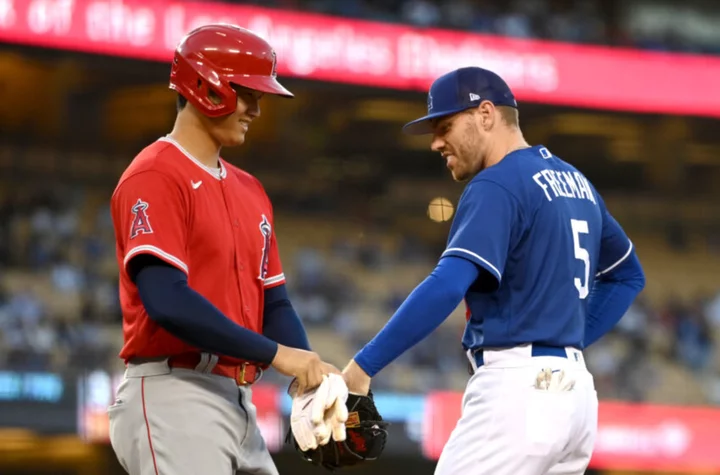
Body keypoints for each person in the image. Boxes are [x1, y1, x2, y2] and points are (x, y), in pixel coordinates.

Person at [341, 67, 646, 475]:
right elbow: (628, 275)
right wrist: (565, 345)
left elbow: (448, 283)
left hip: (518, 393)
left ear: (486, 114)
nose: (435, 142)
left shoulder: (497, 184)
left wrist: (363, 366)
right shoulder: (578, 183)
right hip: (575, 399)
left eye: (445, 126)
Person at [107, 24, 337, 475]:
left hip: (237, 398)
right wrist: (278, 355)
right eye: (246, 92)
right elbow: (167, 301)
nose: (255, 108)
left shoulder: (250, 190)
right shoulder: (155, 175)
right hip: (174, 394)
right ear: (204, 85)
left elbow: (275, 302)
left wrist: (306, 379)